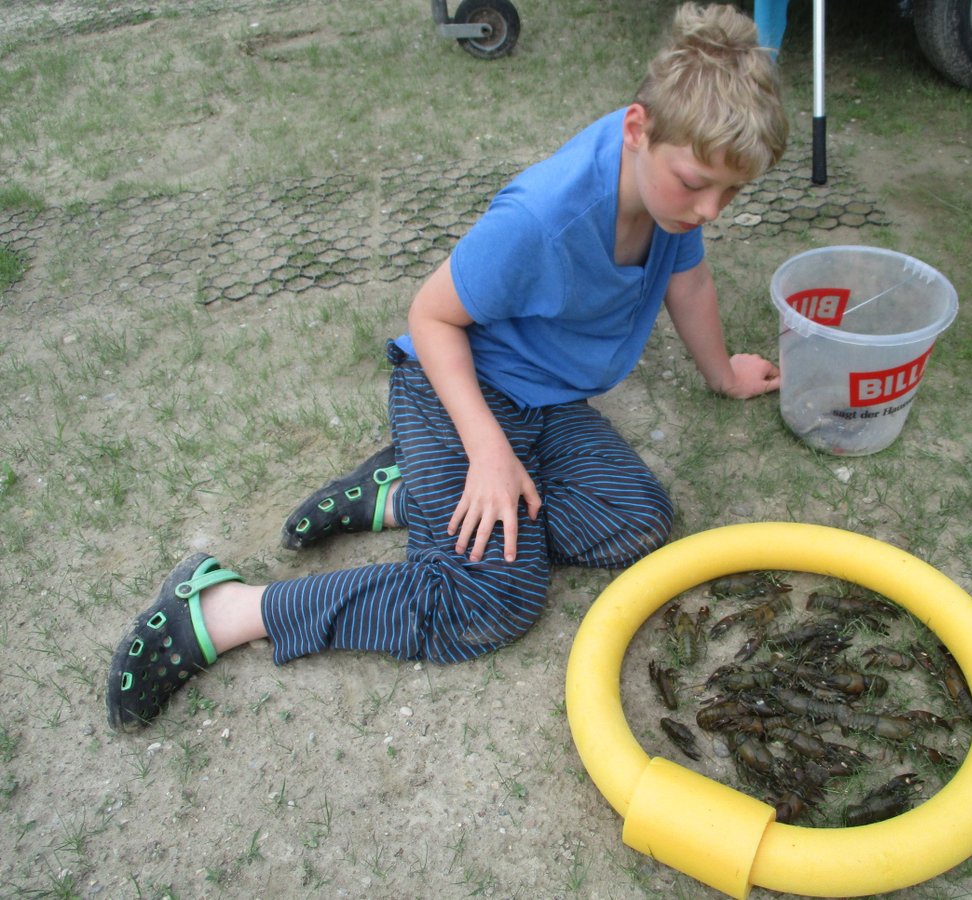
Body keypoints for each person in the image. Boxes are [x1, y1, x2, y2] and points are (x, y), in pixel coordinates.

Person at [106, 2, 789, 730]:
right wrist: (487, 451)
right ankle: (223, 609)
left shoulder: (670, 187)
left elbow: (689, 277)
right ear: (636, 130)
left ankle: (411, 494)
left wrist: (724, 374)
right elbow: (430, 318)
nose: (711, 209)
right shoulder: (541, 219)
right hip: (455, 388)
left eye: (731, 192)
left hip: (545, 400)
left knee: (638, 520)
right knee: (488, 602)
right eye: (696, 183)